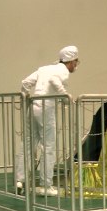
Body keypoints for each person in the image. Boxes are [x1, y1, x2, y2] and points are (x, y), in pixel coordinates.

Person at [15, 45, 79, 196]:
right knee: (48, 147)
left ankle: (20, 180)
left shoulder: (44, 68)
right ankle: (46, 185)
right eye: (76, 62)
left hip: (33, 107)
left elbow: (25, 83)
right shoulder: (62, 71)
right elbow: (54, 81)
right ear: (71, 61)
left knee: (28, 143)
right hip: (46, 108)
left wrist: (25, 97)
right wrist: (65, 97)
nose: (76, 65)